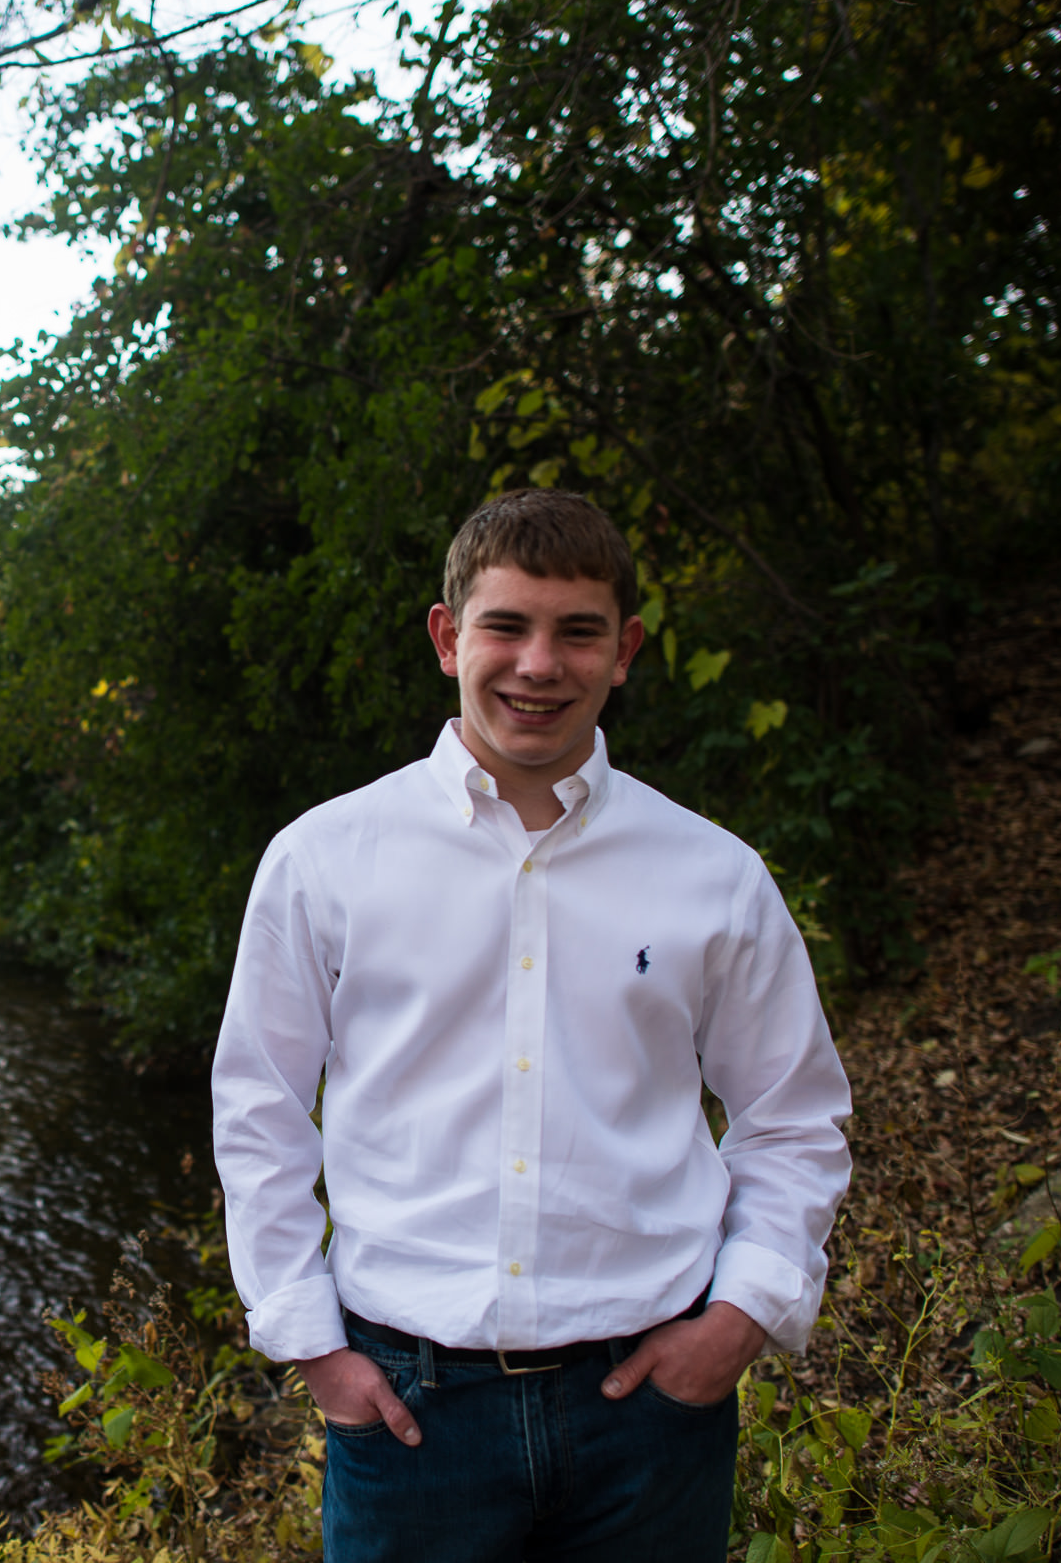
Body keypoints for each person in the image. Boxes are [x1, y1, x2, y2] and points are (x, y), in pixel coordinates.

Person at [211, 490, 852, 1562]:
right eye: (507, 625)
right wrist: (311, 1342)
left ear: (626, 650)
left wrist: (741, 1316)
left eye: (578, 631)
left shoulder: (715, 875)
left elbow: (793, 1116)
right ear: (447, 635)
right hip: (412, 1412)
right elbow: (260, 1112)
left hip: (651, 1411)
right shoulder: (323, 859)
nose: (539, 663)